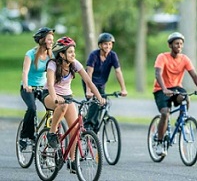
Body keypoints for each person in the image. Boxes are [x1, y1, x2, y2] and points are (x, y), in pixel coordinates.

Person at [42, 36, 105, 173]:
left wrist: (99, 97)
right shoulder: (53, 64)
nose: (73, 54)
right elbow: (51, 84)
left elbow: (89, 81)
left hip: (67, 97)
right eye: (70, 52)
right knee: (62, 106)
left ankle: (72, 161)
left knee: (75, 127)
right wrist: (55, 98)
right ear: (62, 54)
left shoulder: (74, 64)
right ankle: (52, 133)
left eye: (73, 52)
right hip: (49, 95)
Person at [153, 32, 197, 156]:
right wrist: (164, 88)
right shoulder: (162, 57)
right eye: (176, 43)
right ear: (170, 45)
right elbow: (158, 74)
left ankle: (181, 122)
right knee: (165, 113)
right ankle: (160, 143)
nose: (179, 46)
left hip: (176, 88)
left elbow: (194, 75)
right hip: (161, 89)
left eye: (181, 44)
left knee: (186, 98)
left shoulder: (184, 59)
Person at [83, 32, 127, 132]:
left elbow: (118, 71)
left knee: (103, 103)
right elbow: (89, 72)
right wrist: (88, 90)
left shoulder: (113, 55)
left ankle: (94, 130)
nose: (108, 46)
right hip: (89, 82)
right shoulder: (93, 55)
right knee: (96, 101)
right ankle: (88, 125)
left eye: (110, 44)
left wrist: (123, 89)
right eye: (105, 44)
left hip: (101, 84)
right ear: (100, 45)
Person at [19, 27, 55, 149]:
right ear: (42, 40)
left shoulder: (51, 55)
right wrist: (26, 85)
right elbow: (25, 71)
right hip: (29, 87)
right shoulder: (30, 54)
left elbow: (54, 72)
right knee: (32, 108)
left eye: (52, 39)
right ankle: (25, 136)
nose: (51, 41)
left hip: (43, 87)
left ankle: (49, 132)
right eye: (49, 39)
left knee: (53, 108)